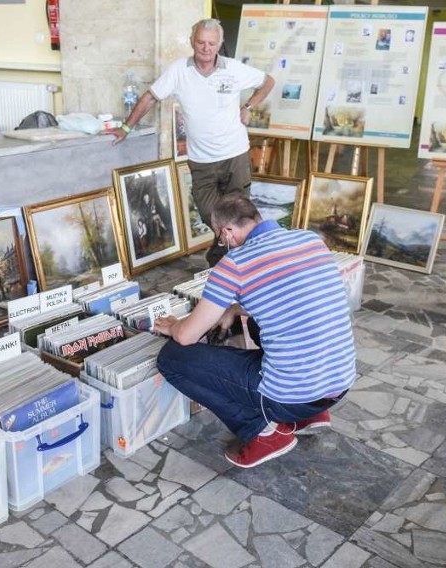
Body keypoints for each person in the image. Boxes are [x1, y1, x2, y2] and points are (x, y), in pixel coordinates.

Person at [153, 195, 357, 468]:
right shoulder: (310, 240)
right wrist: (237, 309)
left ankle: (263, 431)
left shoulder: (234, 264)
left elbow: (186, 336)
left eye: (219, 237)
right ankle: (311, 416)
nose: (223, 243)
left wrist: (173, 325)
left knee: (172, 358)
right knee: (260, 324)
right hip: (339, 384)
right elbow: (295, 299)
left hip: (291, 398)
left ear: (227, 231)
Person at [112, 19, 275, 266]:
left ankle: (232, 266)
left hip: (235, 155)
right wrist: (126, 127)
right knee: (212, 214)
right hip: (202, 161)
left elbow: (268, 82)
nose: (206, 48)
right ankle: (223, 255)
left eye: (211, 43)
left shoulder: (233, 69)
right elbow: (150, 97)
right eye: (201, 42)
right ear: (192, 41)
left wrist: (249, 106)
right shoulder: (178, 71)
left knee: (240, 217)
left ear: (220, 44)